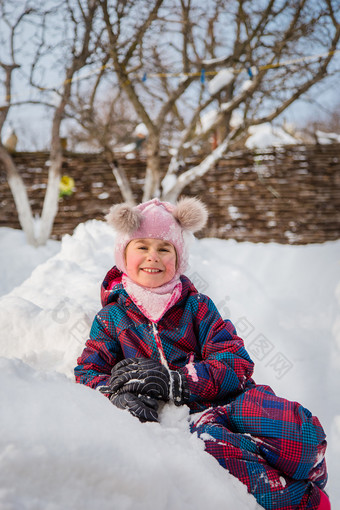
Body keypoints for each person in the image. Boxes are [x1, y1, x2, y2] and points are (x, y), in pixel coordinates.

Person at [75, 197, 330, 510]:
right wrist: (116, 395)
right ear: (123, 255)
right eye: (141, 246)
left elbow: (235, 359)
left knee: (299, 435)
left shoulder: (198, 307)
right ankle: (309, 502)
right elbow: (88, 373)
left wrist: (179, 382)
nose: (152, 256)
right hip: (190, 421)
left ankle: (312, 470)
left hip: (233, 397)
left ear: (179, 258)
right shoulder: (112, 319)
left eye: (164, 248)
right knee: (237, 464)